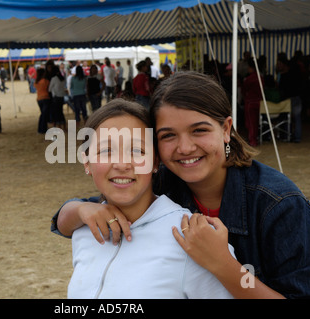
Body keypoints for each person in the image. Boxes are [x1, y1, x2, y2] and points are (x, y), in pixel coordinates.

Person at [52, 71, 310, 299]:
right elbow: (85, 211)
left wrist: (223, 265)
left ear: (226, 129)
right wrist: (78, 210)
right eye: (168, 135)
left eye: (199, 130)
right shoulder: (161, 179)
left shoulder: (279, 205)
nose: (184, 148)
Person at [67, 98, 234, 299]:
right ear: (87, 162)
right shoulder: (83, 230)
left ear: (155, 161)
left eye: (137, 150)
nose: (122, 164)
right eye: (106, 151)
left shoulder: (192, 237)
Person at [242, 59, 264, 146]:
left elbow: (243, 90)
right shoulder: (260, 78)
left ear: (252, 68)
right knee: (257, 122)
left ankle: (252, 140)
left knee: (251, 123)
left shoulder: (249, 79)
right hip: (259, 102)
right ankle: (255, 138)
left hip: (250, 102)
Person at [49, 65, 67, 130]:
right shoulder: (62, 78)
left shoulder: (53, 79)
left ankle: (59, 126)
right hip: (62, 97)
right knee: (60, 111)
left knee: (56, 112)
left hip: (56, 97)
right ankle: (64, 126)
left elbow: (49, 89)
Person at [34, 68, 51, 134]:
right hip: (45, 97)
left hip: (39, 99)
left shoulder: (36, 82)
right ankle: (42, 129)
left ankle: (42, 128)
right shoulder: (45, 81)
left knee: (43, 114)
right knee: (44, 115)